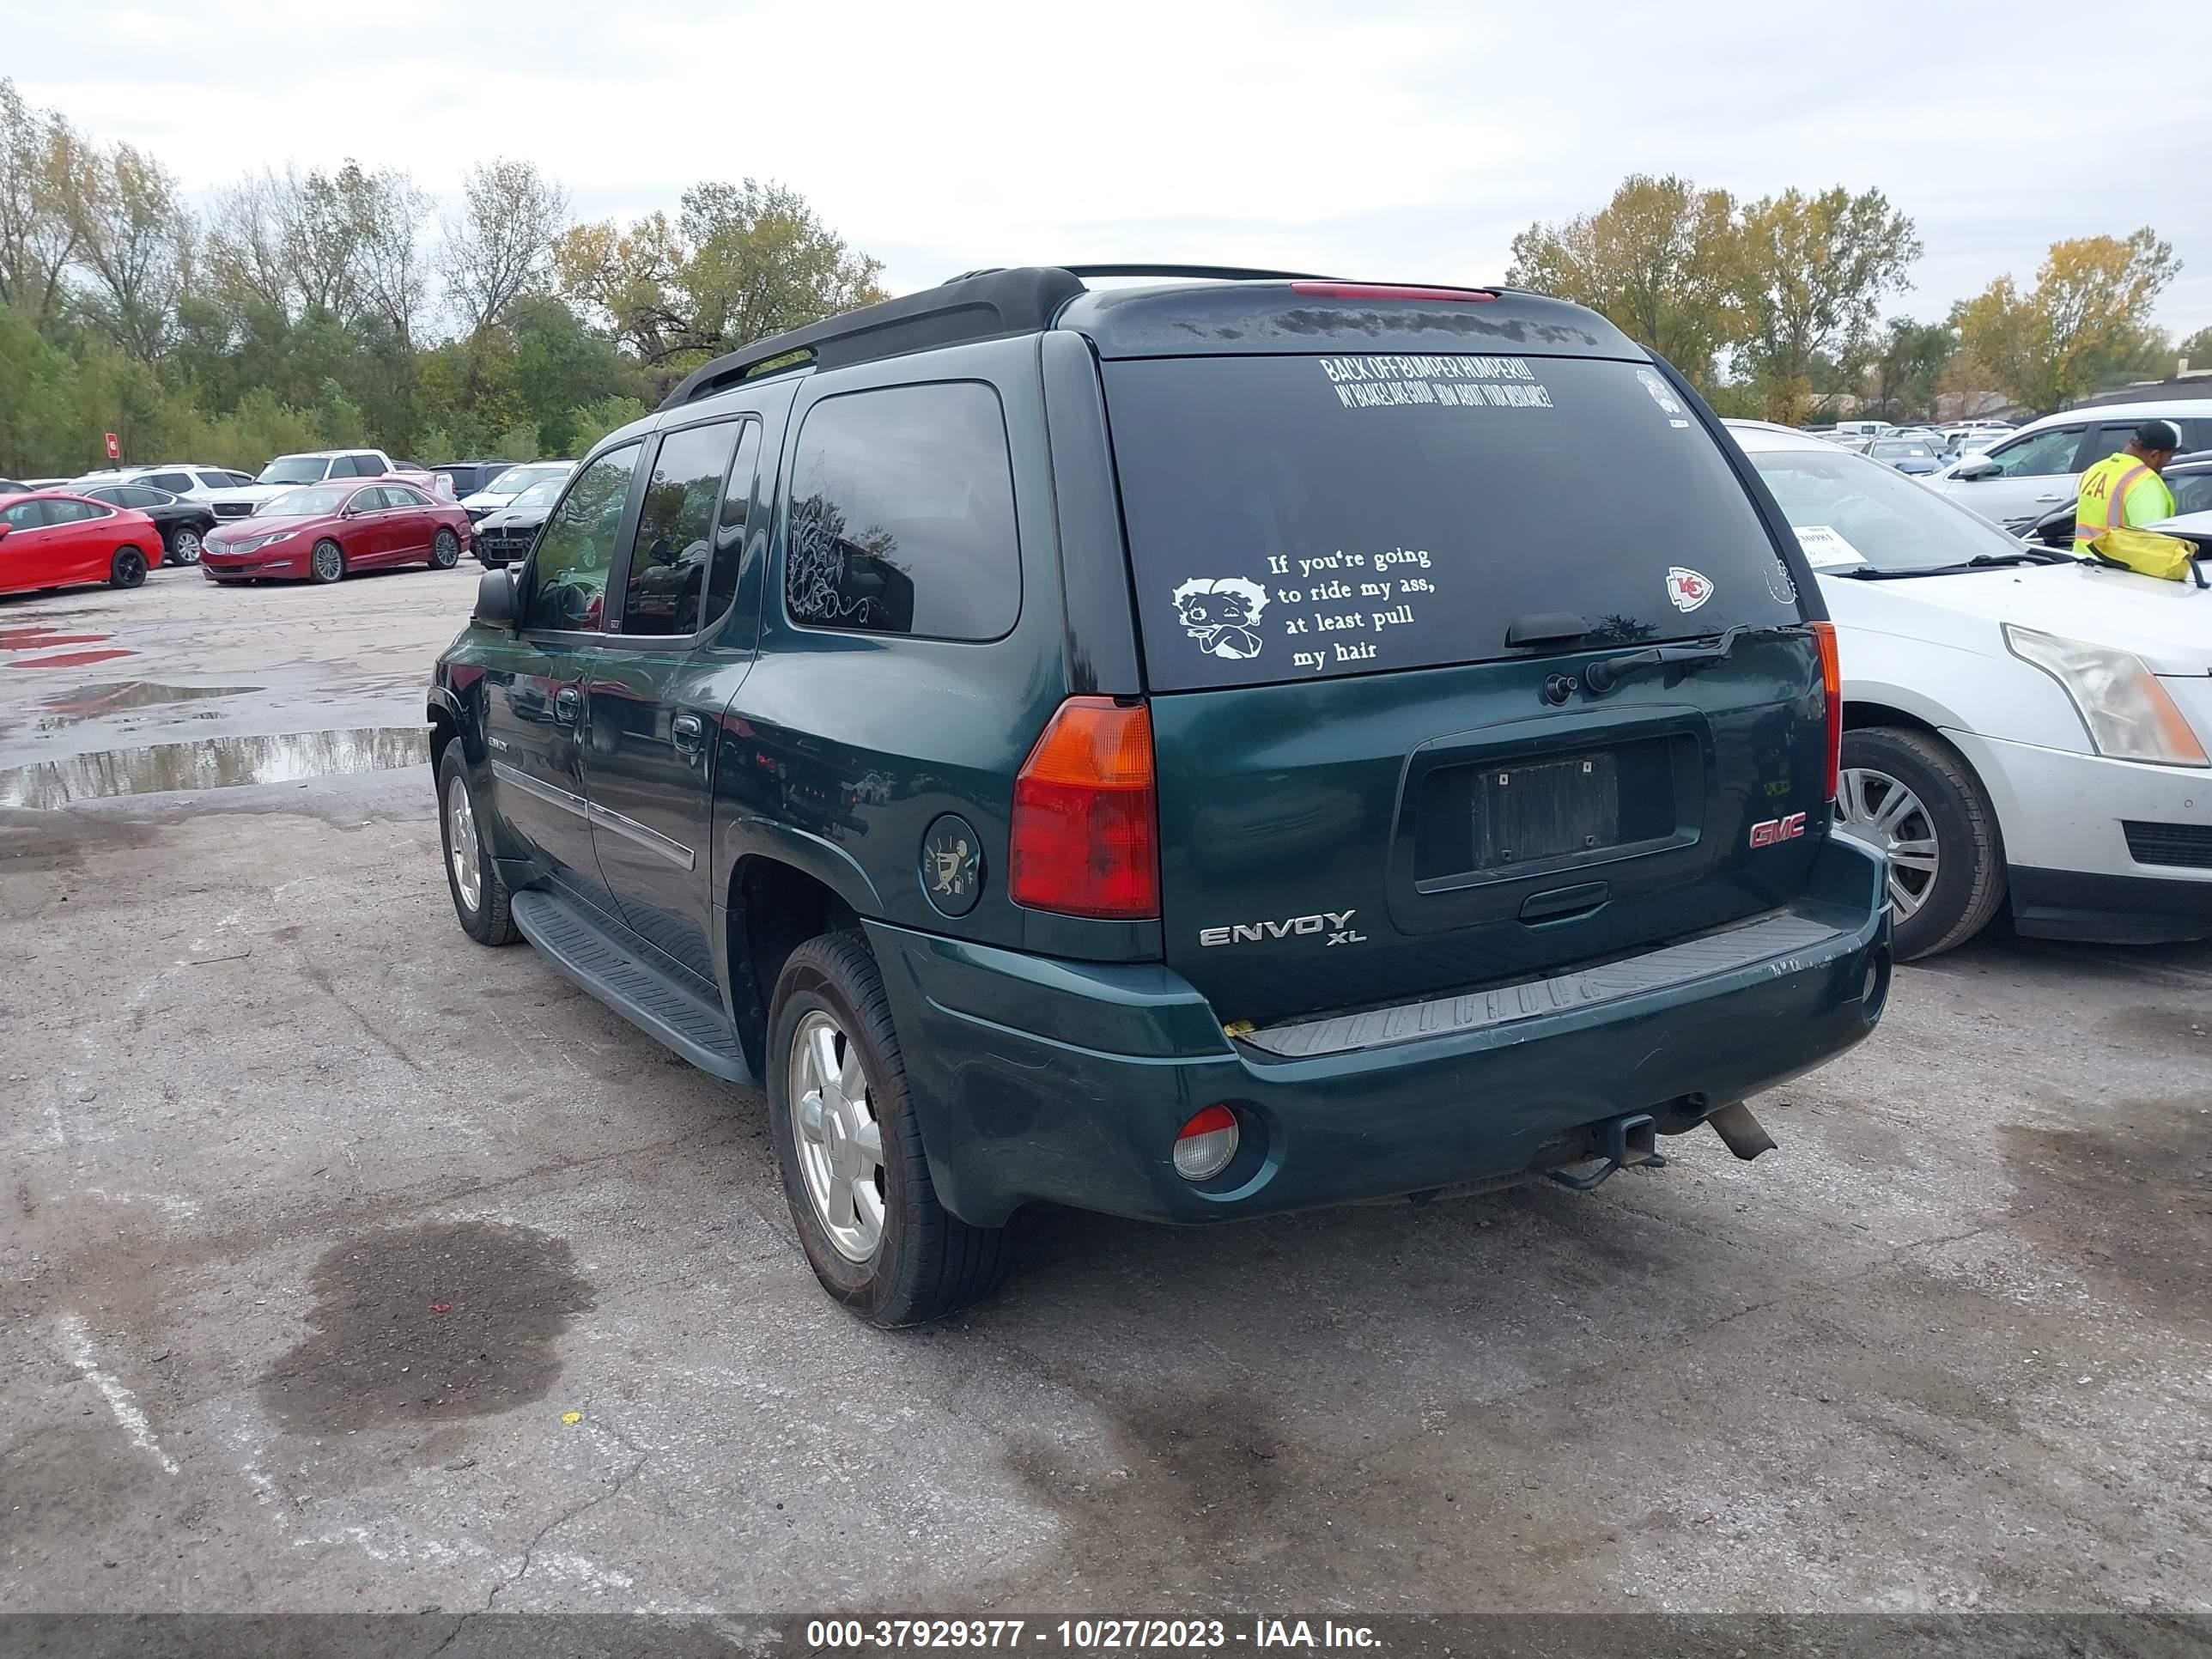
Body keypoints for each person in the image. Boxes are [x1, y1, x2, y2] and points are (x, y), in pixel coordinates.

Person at [2073, 419, 2184, 556]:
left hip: (2082, 566)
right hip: (2117, 571)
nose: (2169, 461)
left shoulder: (2095, 469)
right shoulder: (2144, 481)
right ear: (2154, 455)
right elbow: (2151, 543)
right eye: (2169, 456)